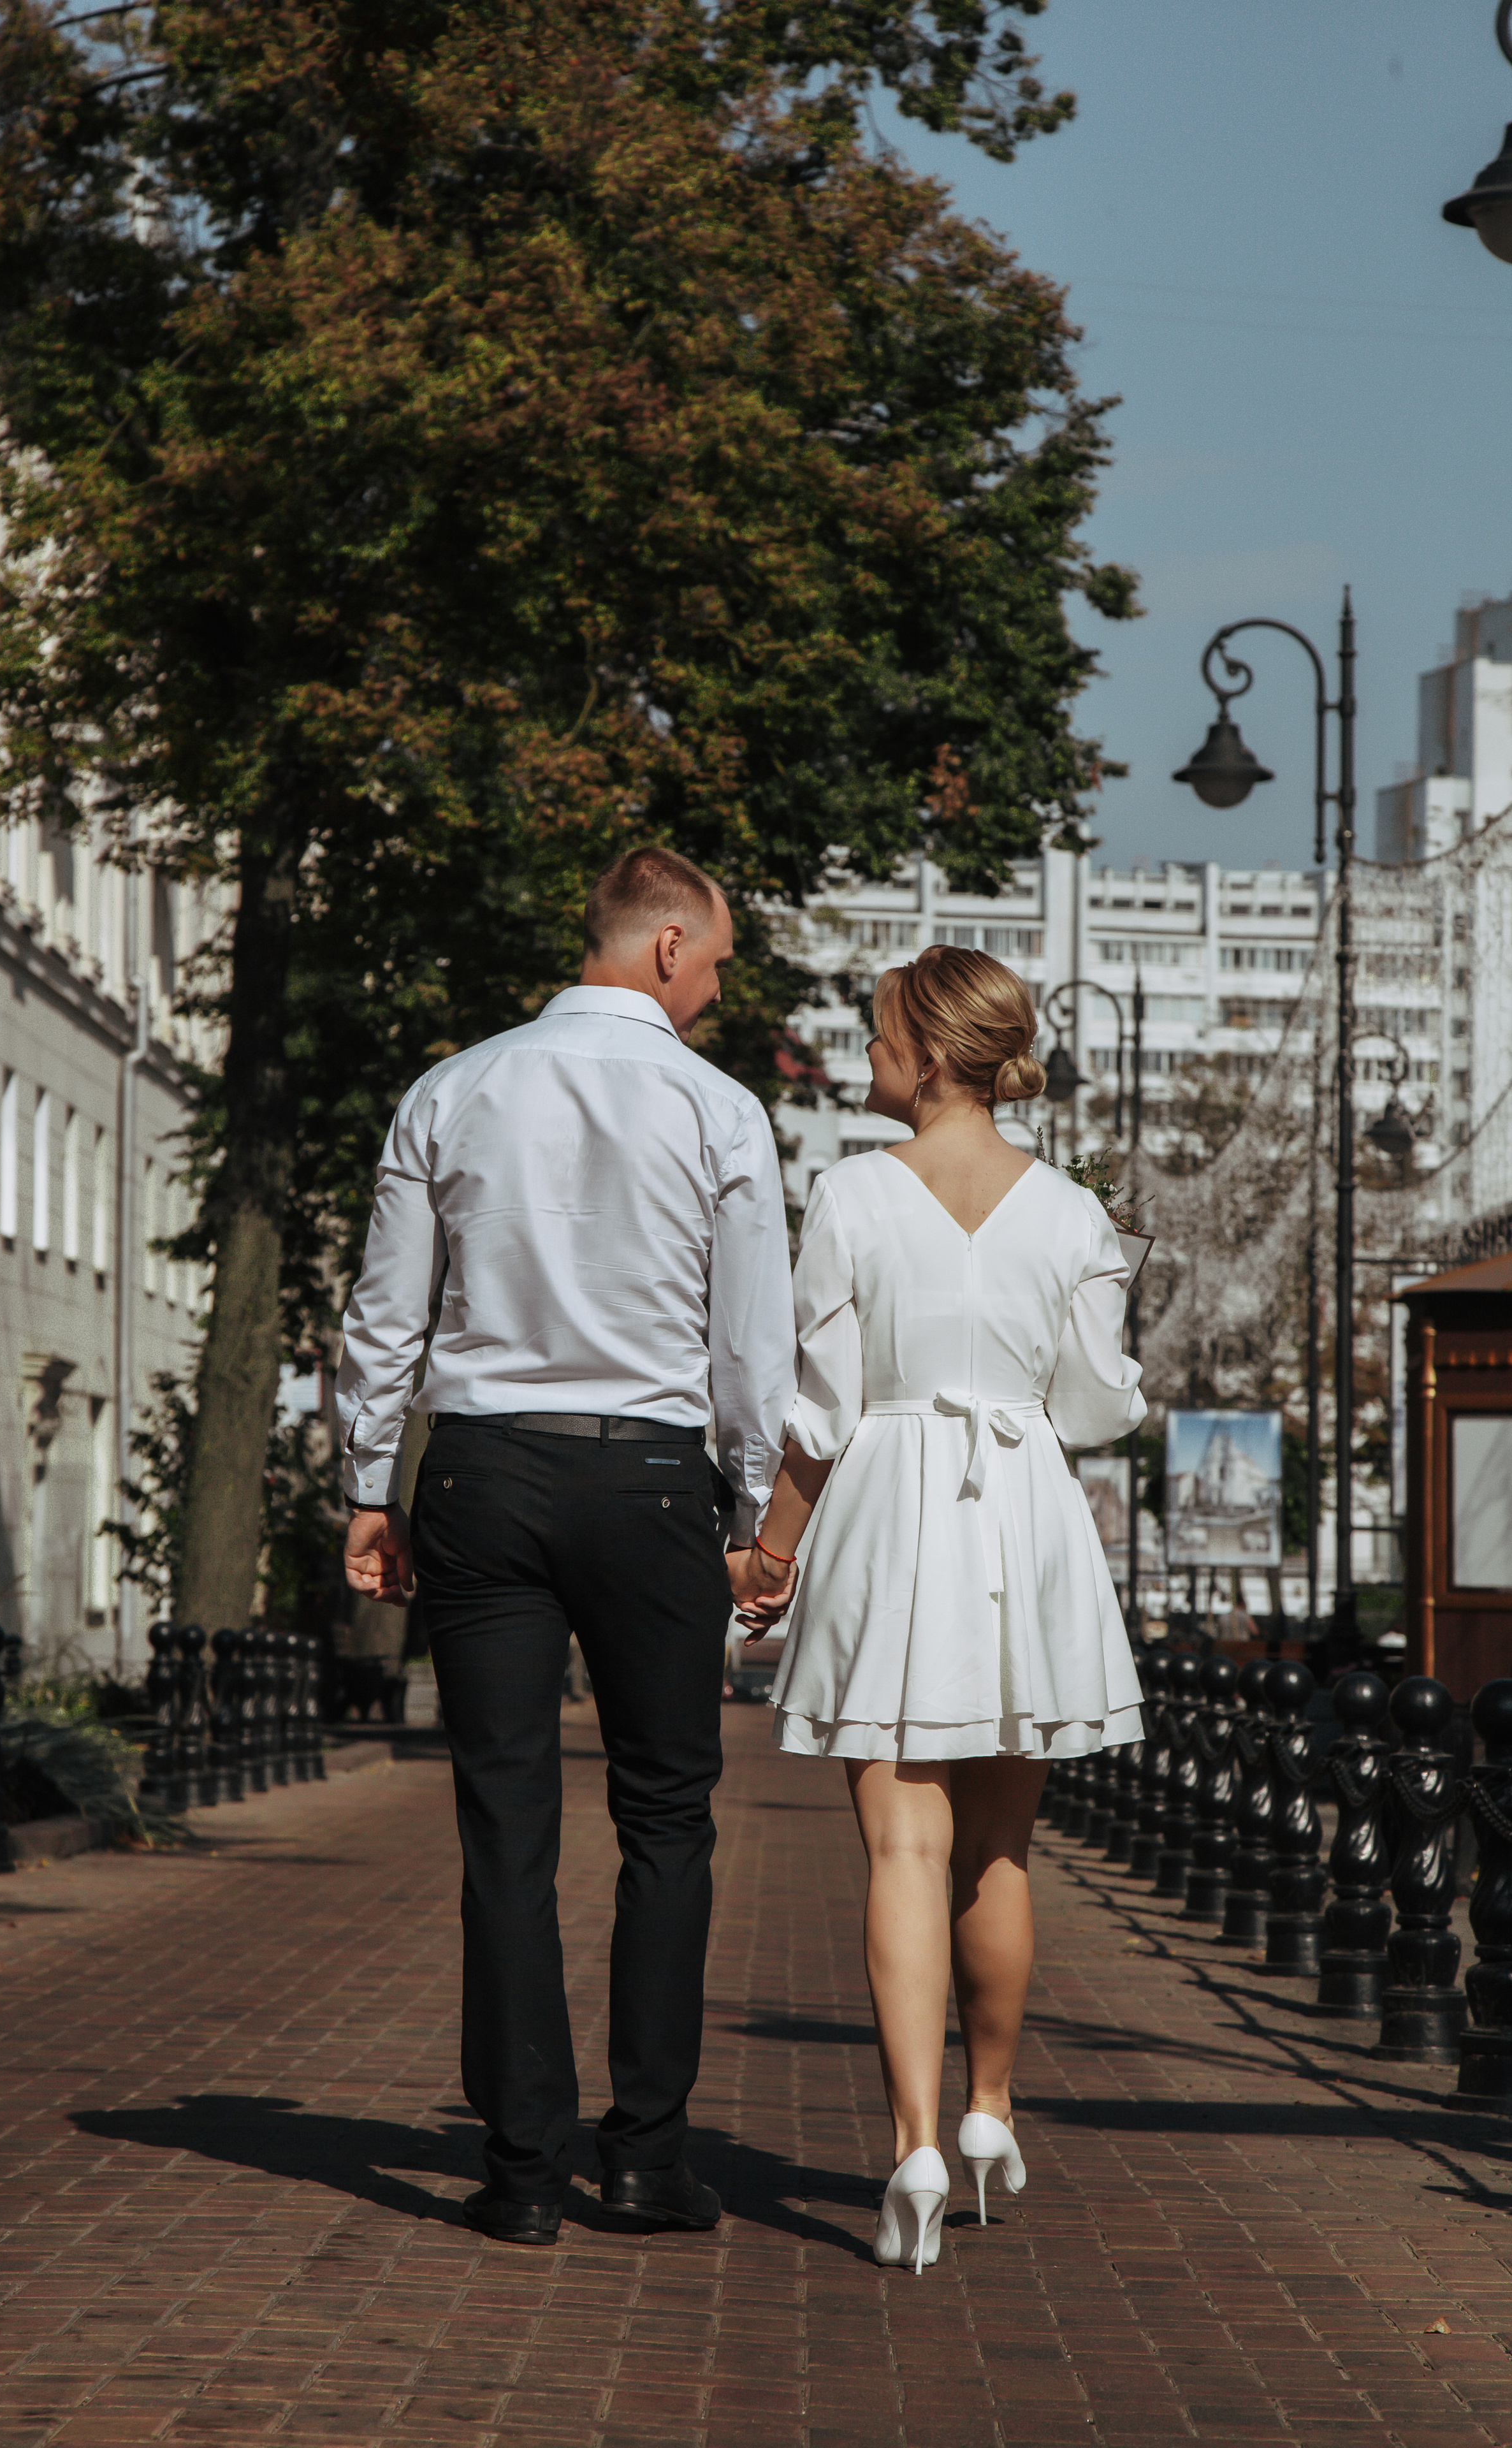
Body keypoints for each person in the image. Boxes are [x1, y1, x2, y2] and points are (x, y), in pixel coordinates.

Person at [336, 846, 796, 2245]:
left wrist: (371, 1482)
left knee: (506, 1824)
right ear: (663, 945)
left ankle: (523, 2167)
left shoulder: (451, 1090)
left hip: (481, 1475)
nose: (715, 989)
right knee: (665, 1815)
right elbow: (749, 1341)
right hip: (650, 1479)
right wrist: (746, 1503)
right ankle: (646, 2156)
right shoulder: (719, 1111)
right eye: (713, 962)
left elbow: (384, 1309)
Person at [732, 946, 1144, 2274]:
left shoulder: (850, 1193)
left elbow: (819, 1409)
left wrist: (771, 1551)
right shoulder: (1074, 1211)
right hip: (1019, 1513)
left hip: (888, 1509)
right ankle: (986, 2111)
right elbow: (1096, 1407)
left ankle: (908, 2137)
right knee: (1000, 1854)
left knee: (899, 1853)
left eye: (875, 1039)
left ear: (922, 1048)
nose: (866, 1061)